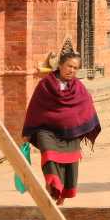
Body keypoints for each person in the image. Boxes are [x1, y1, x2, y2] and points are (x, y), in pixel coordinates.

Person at [21, 49, 102, 206]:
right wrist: (28, 131)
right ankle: (52, 186)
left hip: (71, 133)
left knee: (69, 164)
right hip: (47, 131)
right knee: (50, 157)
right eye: (69, 66)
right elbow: (34, 108)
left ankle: (61, 196)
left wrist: (85, 126)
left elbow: (86, 105)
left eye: (75, 68)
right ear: (60, 65)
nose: (71, 70)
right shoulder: (45, 85)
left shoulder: (78, 87)